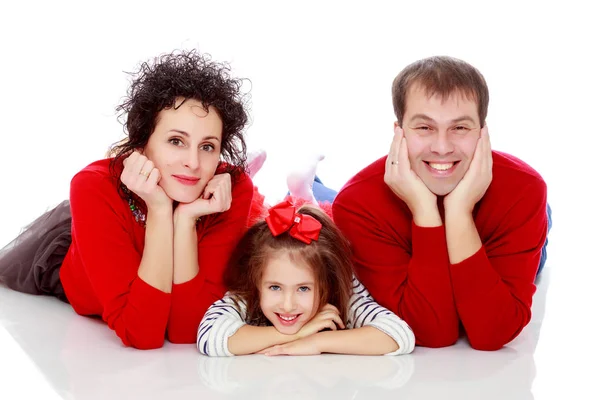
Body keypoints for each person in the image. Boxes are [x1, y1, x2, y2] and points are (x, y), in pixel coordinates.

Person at [0, 49, 255, 349]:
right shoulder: (92, 187)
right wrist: (160, 210)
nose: (194, 163)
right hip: (83, 265)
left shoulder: (230, 189)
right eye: (176, 141)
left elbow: (187, 330)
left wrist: (185, 219)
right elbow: (142, 333)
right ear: (143, 142)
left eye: (208, 146)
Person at [331, 56, 551, 351]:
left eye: (460, 128)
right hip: (371, 202)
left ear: (483, 132)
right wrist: (425, 211)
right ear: (399, 131)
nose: (443, 147)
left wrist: (459, 210)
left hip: (512, 235)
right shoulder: (357, 204)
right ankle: (316, 184)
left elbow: (493, 333)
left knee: (542, 244)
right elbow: (433, 333)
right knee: (326, 205)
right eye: (424, 127)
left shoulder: (525, 190)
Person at [197, 200, 416, 356]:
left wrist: (317, 342)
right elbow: (209, 336)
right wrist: (298, 333)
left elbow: (399, 335)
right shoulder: (249, 292)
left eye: (303, 289)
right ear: (256, 281)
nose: (288, 305)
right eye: (275, 287)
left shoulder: (345, 291)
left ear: (326, 284)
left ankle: (306, 188)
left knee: (319, 202)